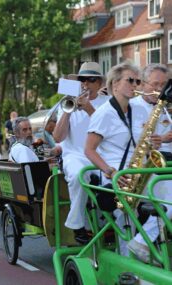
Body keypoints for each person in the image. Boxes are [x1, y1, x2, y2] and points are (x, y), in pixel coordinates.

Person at [85, 62, 164, 259]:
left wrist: (153, 143)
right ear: (115, 84)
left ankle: (141, 242)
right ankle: (127, 270)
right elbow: (89, 150)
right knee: (126, 221)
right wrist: (110, 172)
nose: (135, 85)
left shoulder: (139, 110)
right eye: (130, 80)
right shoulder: (104, 113)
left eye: (137, 81)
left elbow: (142, 144)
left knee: (168, 203)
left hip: (140, 172)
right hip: (118, 177)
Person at [53, 61, 109, 244]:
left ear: (99, 83)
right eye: (82, 80)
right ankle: (77, 225)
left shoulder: (107, 104)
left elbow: (109, 132)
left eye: (91, 80)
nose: (86, 84)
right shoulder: (67, 103)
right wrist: (68, 111)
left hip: (101, 156)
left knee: (120, 180)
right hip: (75, 156)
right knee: (78, 175)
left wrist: (89, 109)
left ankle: (112, 224)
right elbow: (58, 137)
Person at [126, 63, 172, 262]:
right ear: (143, 84)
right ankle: (142, 241)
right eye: (154, 84)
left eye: (163, 85)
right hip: (143, 170)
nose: (159, 89)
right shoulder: (131, 107)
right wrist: (151, 142)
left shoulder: (166, 108)